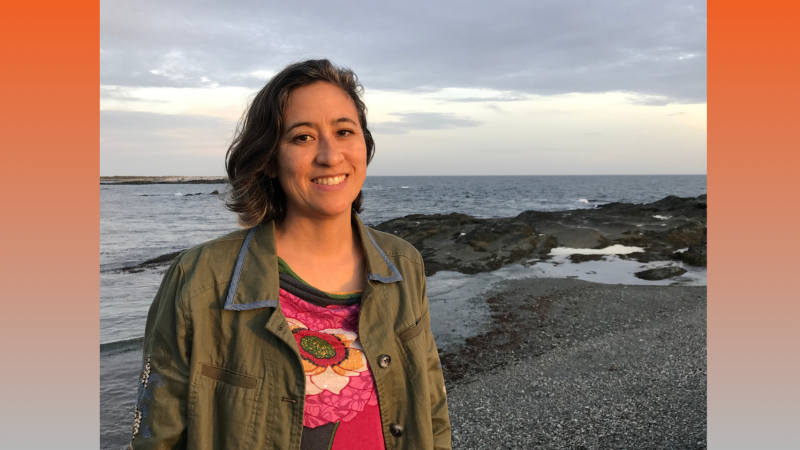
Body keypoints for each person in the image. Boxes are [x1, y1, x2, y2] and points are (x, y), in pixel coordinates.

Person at [128, 59, 451, 450]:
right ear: (268, 159)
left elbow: (431, 407)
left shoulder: (404, 265)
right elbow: (157, 437)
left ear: (363, 145)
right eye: (302, 137)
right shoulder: (199, 280)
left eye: (344, 131)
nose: (330, 156)